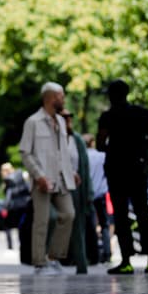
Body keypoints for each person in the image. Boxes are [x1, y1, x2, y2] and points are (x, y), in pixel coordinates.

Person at [96, 79, 148, 274]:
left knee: (121, 215)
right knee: (143, 212)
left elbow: (100, 143)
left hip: (117, 171)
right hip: (137, 168)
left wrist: (115, 149)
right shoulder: (143, 114)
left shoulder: (108, 117)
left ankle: (126, 260)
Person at [19, 82, 77, 276]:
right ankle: (39, 263)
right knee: (42, 221)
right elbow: (25, 152)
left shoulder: (60, 122)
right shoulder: (33, 122)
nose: (63, 99)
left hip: (61, 179)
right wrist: (39, 176)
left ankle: (54, 257)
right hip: (42, 180)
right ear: (51, 98)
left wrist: (72, 172)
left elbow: (63, 152)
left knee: (68, 214)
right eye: (61, 96)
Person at [59, 109, 91, 274]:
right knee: (60, 223)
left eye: (69, 117)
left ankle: (81, 263)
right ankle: (56, 260)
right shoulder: (55, 139)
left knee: (78, 226)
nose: (67, 120)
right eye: (63, 117)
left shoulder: (77, 139)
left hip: (77, 188)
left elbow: (84, 166)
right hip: (59, 187)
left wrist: (88, 193)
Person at [83, 134, 111, 264]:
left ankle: (92, 253)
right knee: (104, 224)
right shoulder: (102, 157)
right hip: (100, 193)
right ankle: (107, 252)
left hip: (87, 194)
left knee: (90, 224)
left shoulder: (82, 157)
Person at [0, 162, 31, 250]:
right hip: (24, 205)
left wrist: (5, 207)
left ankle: (10, 246)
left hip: (13, 207)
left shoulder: (8, 180)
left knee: (7, 226)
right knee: (21, 227)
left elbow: (8, 195)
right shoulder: (20, 175)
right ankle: (22, 245)